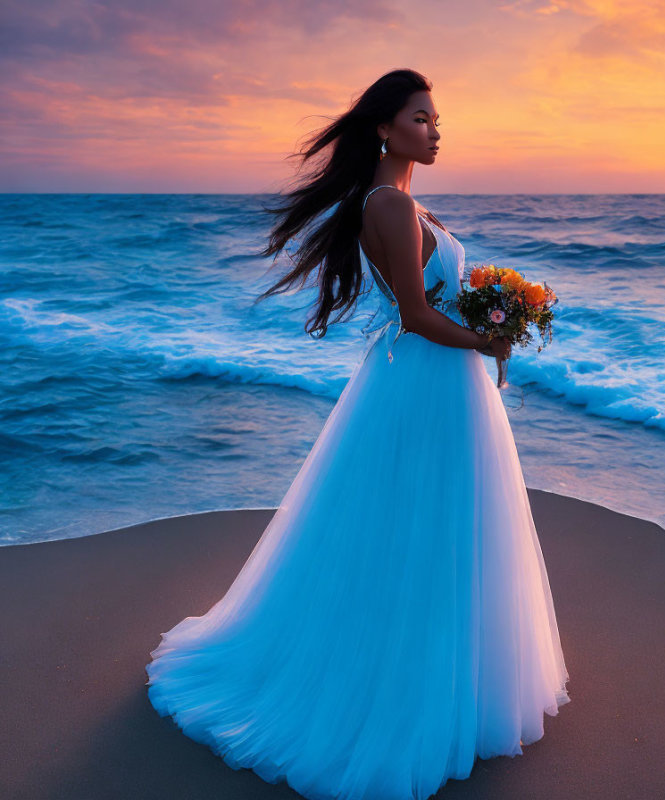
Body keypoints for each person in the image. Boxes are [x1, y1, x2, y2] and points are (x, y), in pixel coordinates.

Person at [144, 68, 571, 800]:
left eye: (437, 120)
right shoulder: (390, 206)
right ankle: (396, 694)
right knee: (419, 529)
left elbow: (433, 302)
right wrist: (488, 342)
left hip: (428, 381)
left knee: (431, 528)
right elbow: (414, 313)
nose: (435, 130)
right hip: (426, 381)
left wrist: (488, 315)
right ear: (384, 127)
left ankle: (439, 678)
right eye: (420, 118)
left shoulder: (401, 202)